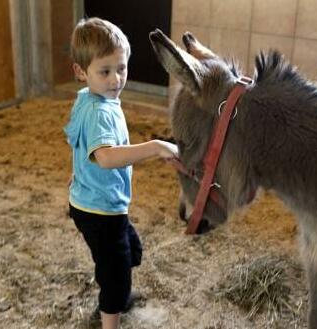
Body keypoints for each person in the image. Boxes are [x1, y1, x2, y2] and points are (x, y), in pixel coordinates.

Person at [64, 17, 178, 329]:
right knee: (116, 276)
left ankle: (116, 286)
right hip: (99, 210)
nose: (116, 79)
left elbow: (76, 139)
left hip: (96, 202)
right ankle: (112, 314)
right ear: (80, 71)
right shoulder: (99, 111)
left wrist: (77, 174)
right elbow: (105, 157)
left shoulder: (90, 97)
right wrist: (155, 146)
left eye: (121, 68)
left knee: (131, 252)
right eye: (105, 71)